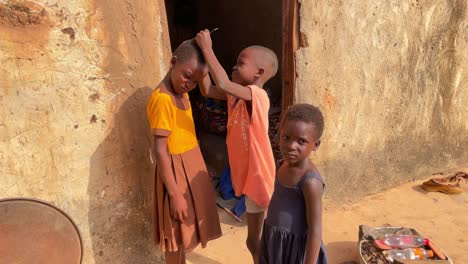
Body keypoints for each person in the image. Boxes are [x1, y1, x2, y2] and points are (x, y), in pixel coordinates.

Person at [195, 29, 277, 264]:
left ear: (259, 72)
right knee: (253, 241)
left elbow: (222, 82)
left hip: (260, 176)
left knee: (265, 238)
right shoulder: (236, 96)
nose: (234, 66)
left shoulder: (258, 96)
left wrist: (207, 49)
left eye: (240, 63)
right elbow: (208, 89)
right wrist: (202, 65)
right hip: (248, 178)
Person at [146, 39, 222, 264]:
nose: (189, 84)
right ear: (172, 62)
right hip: (175, 173)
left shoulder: (183, 94)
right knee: (175, 232)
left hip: (190, 163)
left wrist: (199, 165)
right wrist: (175, 194)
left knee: (186, 230)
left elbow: (186, 133)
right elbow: (160, 151)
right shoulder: (163, 100)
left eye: (196, 81)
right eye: (187, 76)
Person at [259, 104, 328, 264]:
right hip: (275, 240)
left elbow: (315, 231)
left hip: (295, 250)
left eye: (301, 141)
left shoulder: (310, 182)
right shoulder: (281, 164)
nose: (291, 146)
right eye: (286, 137)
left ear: (315, 145)